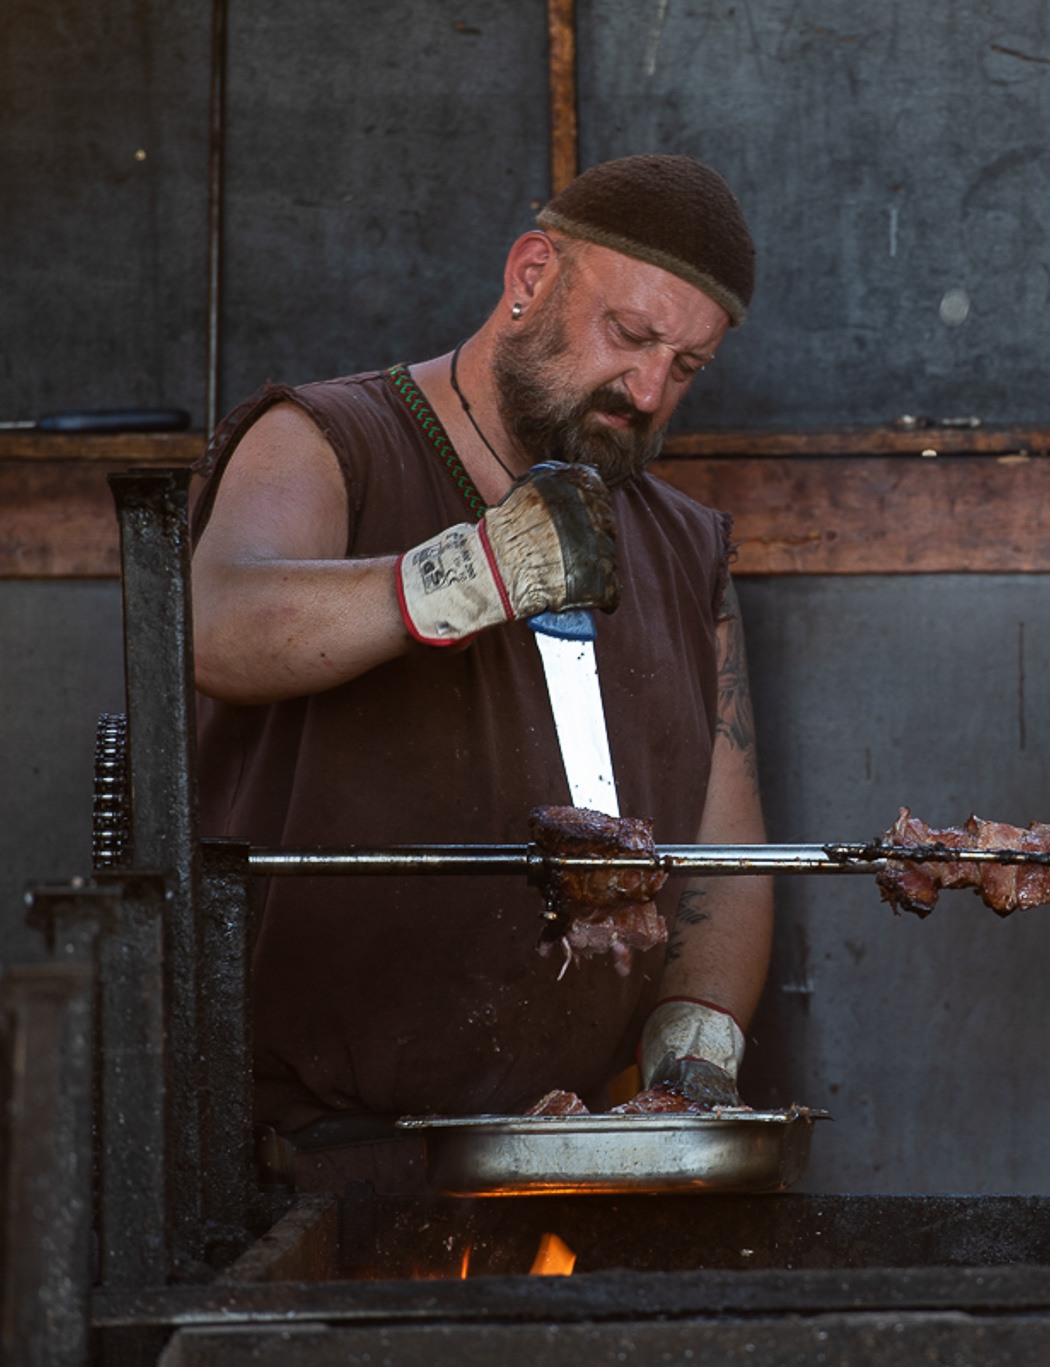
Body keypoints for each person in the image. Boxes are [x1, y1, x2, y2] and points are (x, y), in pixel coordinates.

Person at [189, 155, 770, 1187]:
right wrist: (465, 574)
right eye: (629, 335)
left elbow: (726, 861)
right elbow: (214, 623)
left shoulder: (685, 551)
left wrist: (696, 1054)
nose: (645, 389)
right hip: (299, 1161)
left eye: (685, 367)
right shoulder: (328, 442)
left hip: (563, 1155)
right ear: (532, 273)